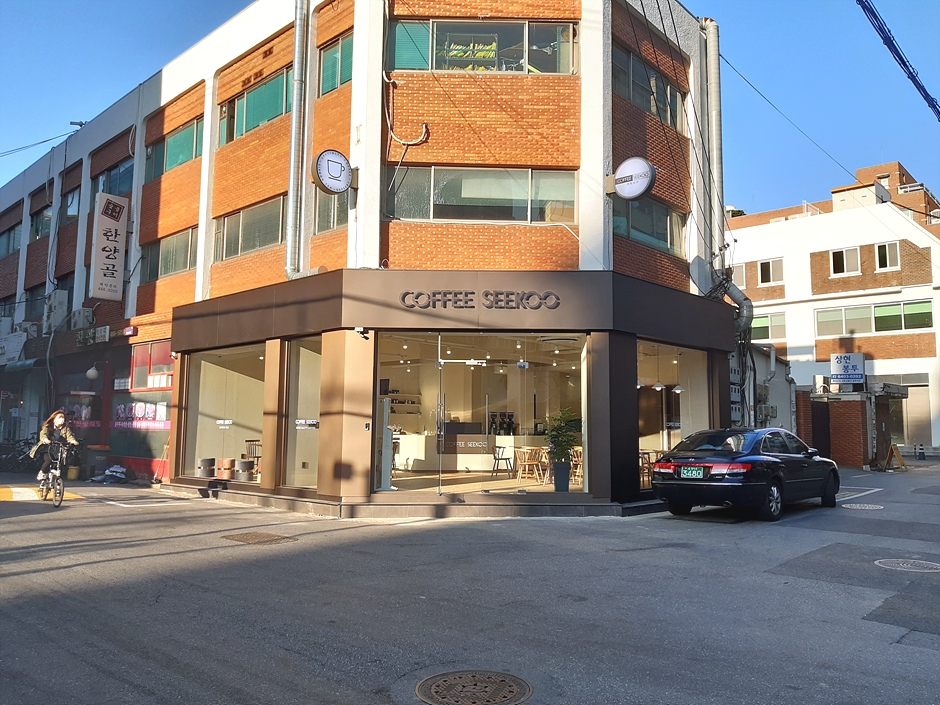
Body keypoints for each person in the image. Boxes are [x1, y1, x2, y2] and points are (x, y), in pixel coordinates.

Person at [31, 410, 80, 482]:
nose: (62, 419)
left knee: (60, 462)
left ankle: (55, 479)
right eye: (60, 417)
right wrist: (45, 439)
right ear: (54, 419)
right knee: (49, 460)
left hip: (59, 450)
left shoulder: (65, 429)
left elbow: (69, 436)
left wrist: (73, 441)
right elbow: (43, 434)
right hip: (47, 449)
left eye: (63, 417)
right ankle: (41, 472)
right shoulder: (48, 428)